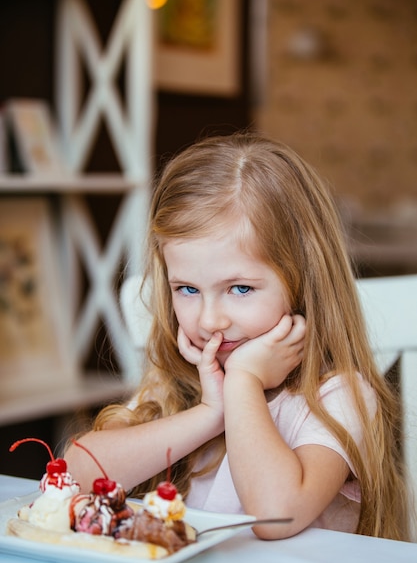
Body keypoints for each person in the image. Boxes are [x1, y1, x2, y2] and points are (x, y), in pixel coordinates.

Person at [65, 131, 409, 541]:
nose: (210, 320)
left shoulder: (338, 396)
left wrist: (243, 384)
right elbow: (76, 474)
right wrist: (211, 412)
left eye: (240, 288)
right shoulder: (185, 384)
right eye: (187, 289)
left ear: (303, 282)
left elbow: (275, 516)